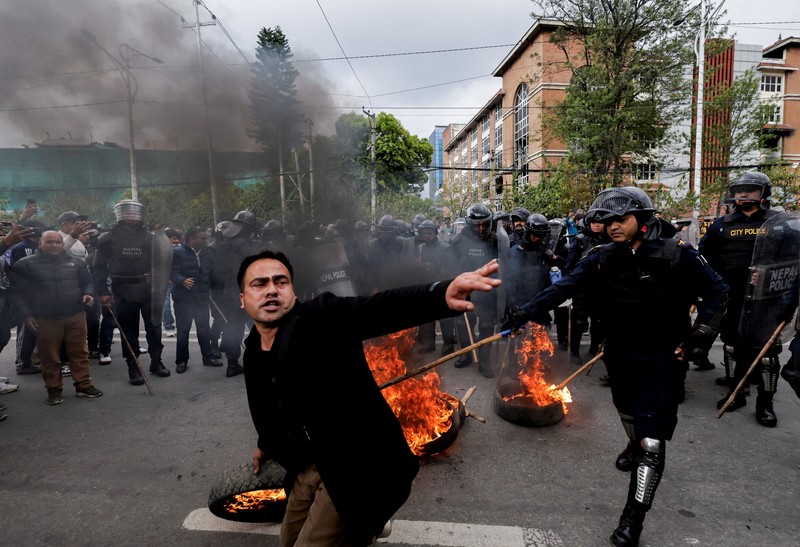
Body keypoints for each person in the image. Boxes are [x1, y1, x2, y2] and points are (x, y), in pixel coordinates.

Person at [504, 186, 727, 547]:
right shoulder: (601, 257)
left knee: (651, 442)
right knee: (628, 413)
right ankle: (632, 441)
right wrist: (526, 311)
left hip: (665, 358)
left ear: (644, 219)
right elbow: (566, 287)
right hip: (619, 354)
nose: (612, 227)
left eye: (620, 219)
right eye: (606, 221)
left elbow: (718, 292)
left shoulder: (679, 254)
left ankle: (632, 520)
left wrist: (700, 335)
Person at [240, 249, 500, 547]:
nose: (271, 289)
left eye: (280, 282)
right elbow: (269, 404)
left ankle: (365, 524)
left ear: (293, 292)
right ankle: (364, 526)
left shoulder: (319, 319)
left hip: (351, 469)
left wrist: (439, 294)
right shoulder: (253, 349)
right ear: (243, 298)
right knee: (288, 540)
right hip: (306, 465)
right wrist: (266, 443)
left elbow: (377, 308)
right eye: (259, 284)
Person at [699, 172, 783, 426]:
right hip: (732, 296)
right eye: (739, 190)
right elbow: (703, 257)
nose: (743, 195)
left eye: (750, 190)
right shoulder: (722, 224)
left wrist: (769, 275)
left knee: (767, 354)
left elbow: (791, 258)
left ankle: (765, 404)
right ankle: (736, 392)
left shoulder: (777, 222)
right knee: (732, 346)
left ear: (763, 194)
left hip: (765, 299)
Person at [10, 231, 102, 405]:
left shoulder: (76, 263)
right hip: (45, 318)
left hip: (75, 315)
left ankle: (83, 385)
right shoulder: (25, 265)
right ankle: (54, 389)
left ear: (62, 244)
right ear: (41, 243)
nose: (54, 246)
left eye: (57, 242)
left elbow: (87, 282)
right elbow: (17, 294)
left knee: (80, 353)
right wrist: (26, 315)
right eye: (49, 242)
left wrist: (88, 294)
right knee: (49, 356)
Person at [92, 200, 170, 385]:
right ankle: (133, 367)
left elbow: (160, 262)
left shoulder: (150, 237)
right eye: (127, 212)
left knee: (154, 327)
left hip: (148, 289)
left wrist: (156, 276)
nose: (131, 215)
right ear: (119, 214)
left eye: (134, 212)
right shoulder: (108, 238)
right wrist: (103, 291)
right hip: (122, 289)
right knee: (129, 331)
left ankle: (156, 362)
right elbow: (99, 267)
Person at [449, 203, 500, 377]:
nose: (480, 228)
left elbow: (503, 266)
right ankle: (466, 355)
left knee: (486, 326)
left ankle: (484, 361)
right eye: (477, 225)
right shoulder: (457, 241)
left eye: (484, 224)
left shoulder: (496, 240)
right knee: (463, 324)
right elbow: (450, 264)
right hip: (466, 290)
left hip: (487, 291)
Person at [170, 227, 223, 374]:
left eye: (206, 238)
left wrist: (216, 286)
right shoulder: (177, 252)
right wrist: (181, 280)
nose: (205, 241)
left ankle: (208, 357)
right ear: (192, 239)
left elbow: (211, 272)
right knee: (183, 332)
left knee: (204, 329)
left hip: (202, 298)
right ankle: (181, 361)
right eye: (202, 238)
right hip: (184, 299)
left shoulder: (207, 253)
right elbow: (172, 272)